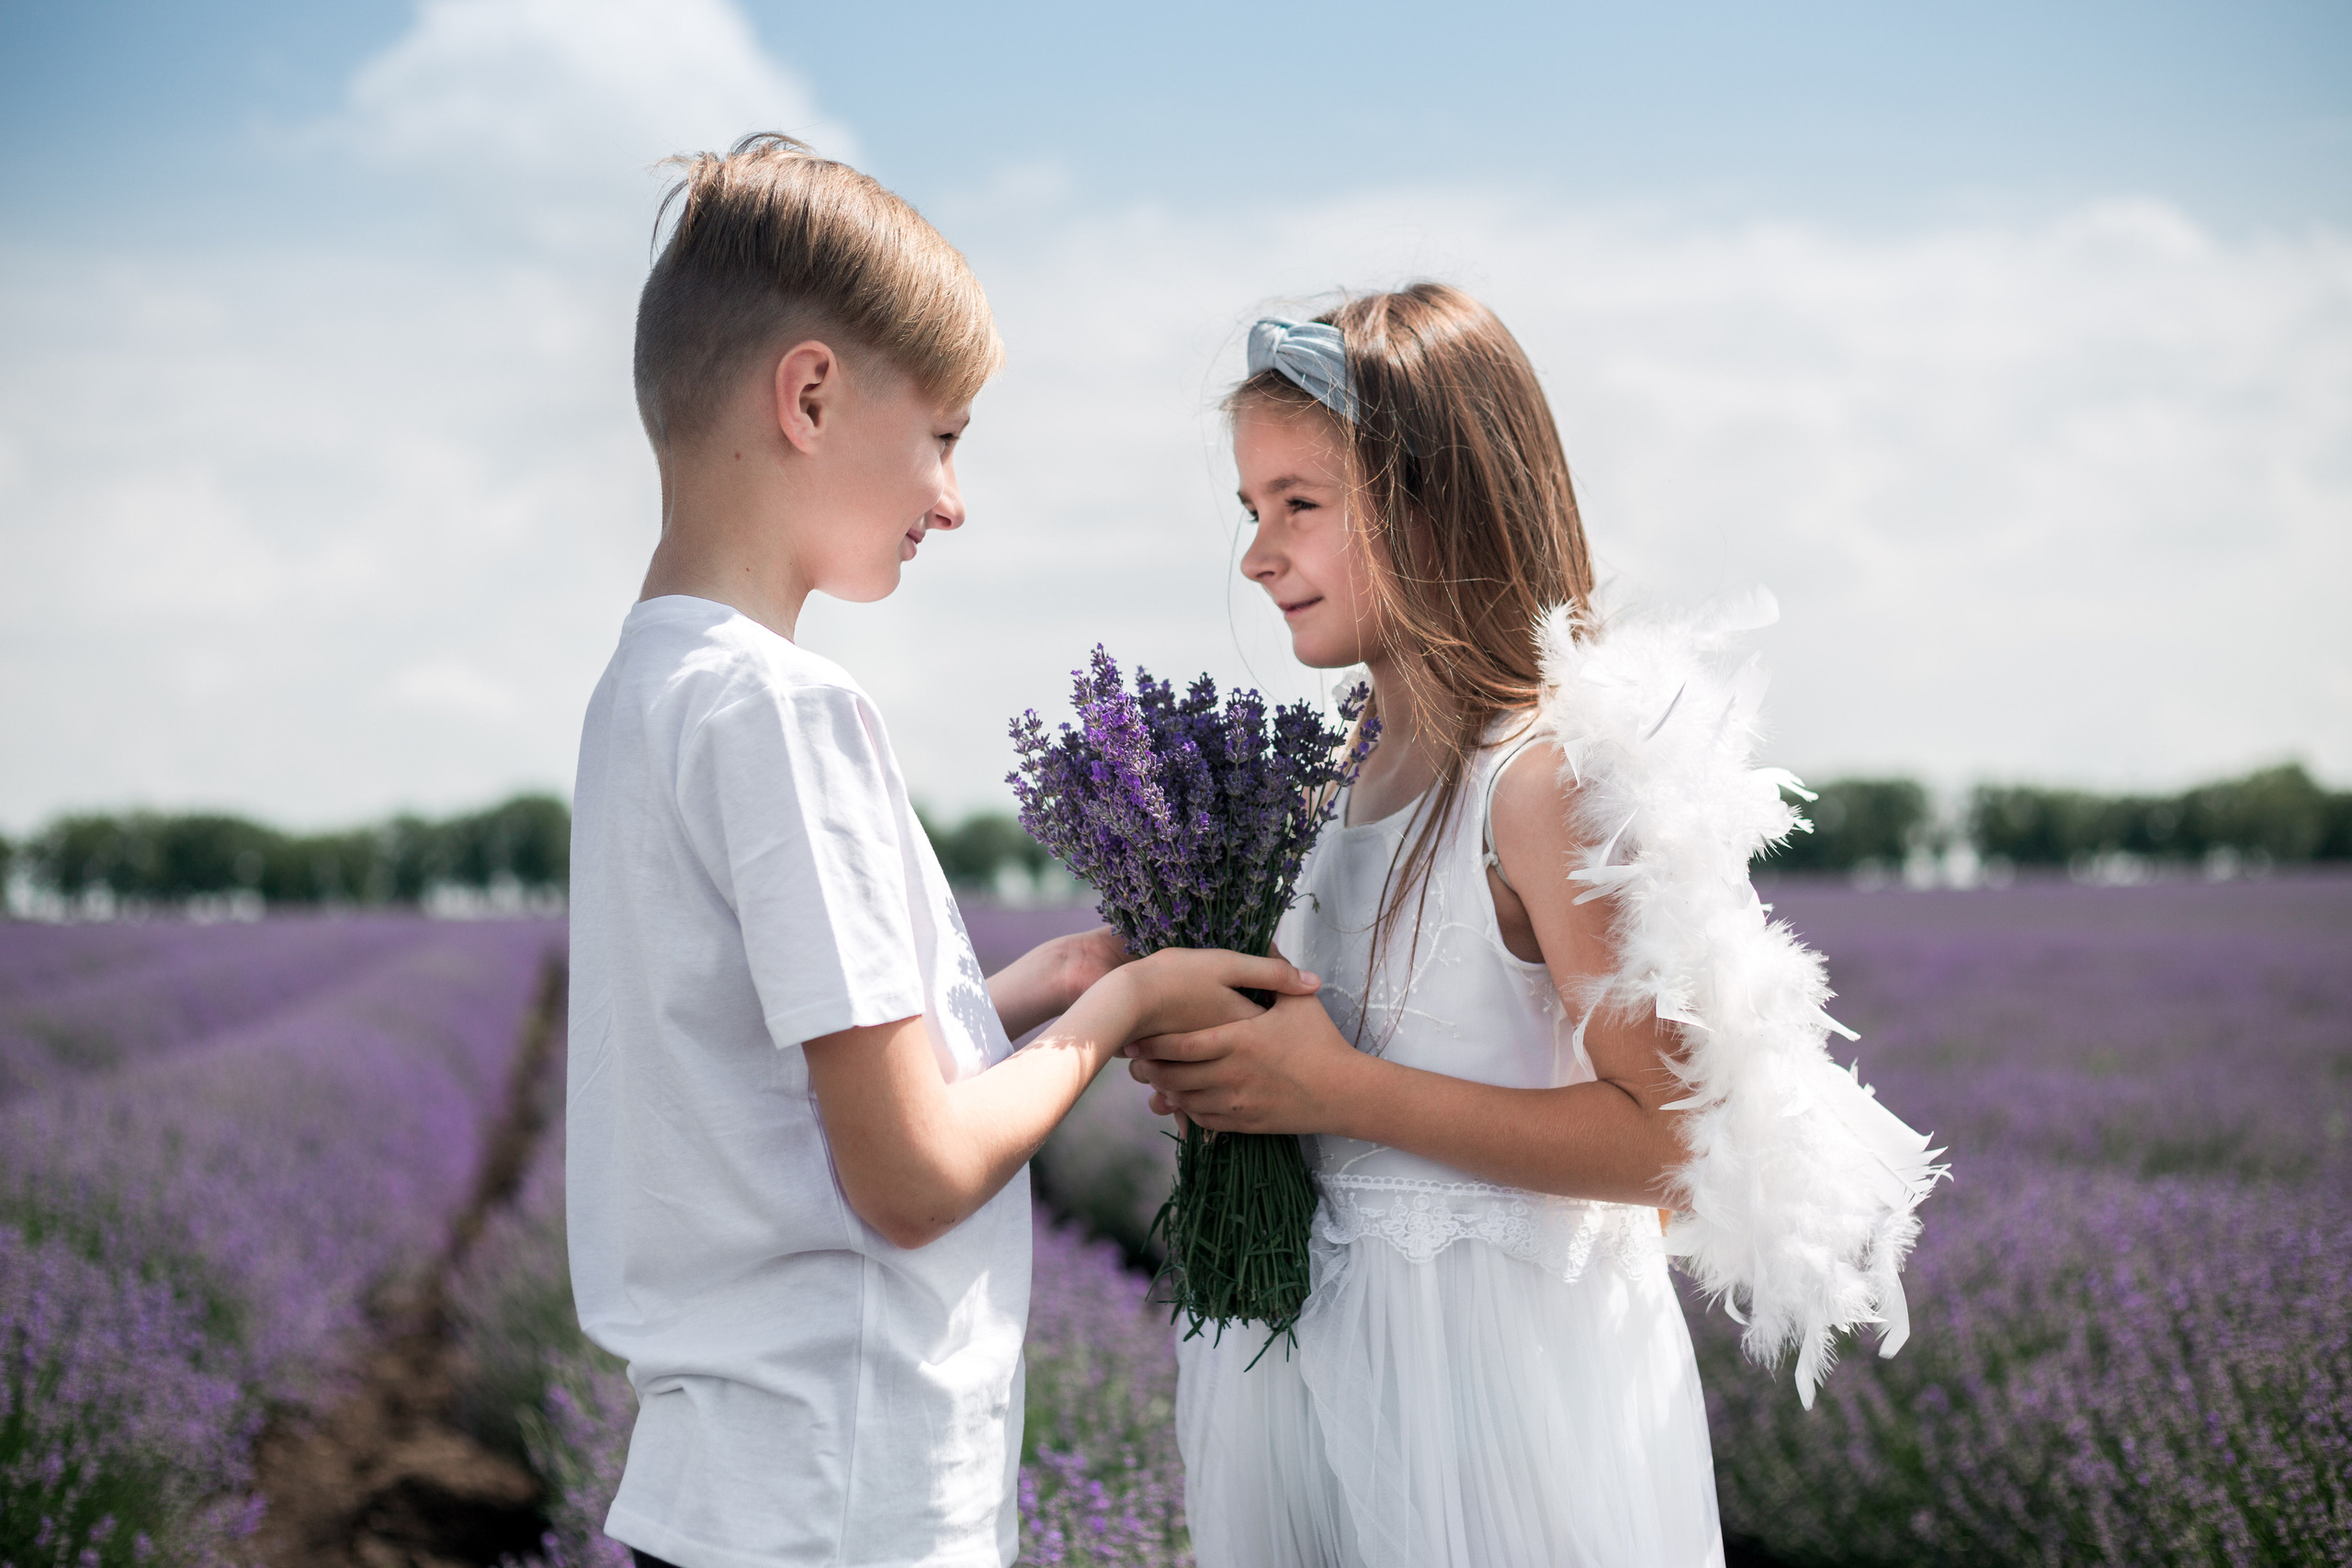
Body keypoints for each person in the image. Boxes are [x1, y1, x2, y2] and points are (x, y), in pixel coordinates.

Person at [564, 134, 1317, 1568]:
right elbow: (911, 1178)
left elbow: (770, 1067)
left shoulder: (645, 691)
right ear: (810, 396)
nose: (954, 500)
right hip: (843, 1496)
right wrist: (1124, 1010)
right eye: (947, 436)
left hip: (733, 1488)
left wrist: (1031, 989)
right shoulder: (789, 713)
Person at [1124, 285, 1942, 1567]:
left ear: (1433, 503)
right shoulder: (1329, 781)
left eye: (1299, 505)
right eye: (1251, 509)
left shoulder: (1539, 781)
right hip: (1322, 1367)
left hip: (1498, 1400)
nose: (1258, 555)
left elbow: (1674, 1142)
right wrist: (1232, 1076)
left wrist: (1336, 1090)